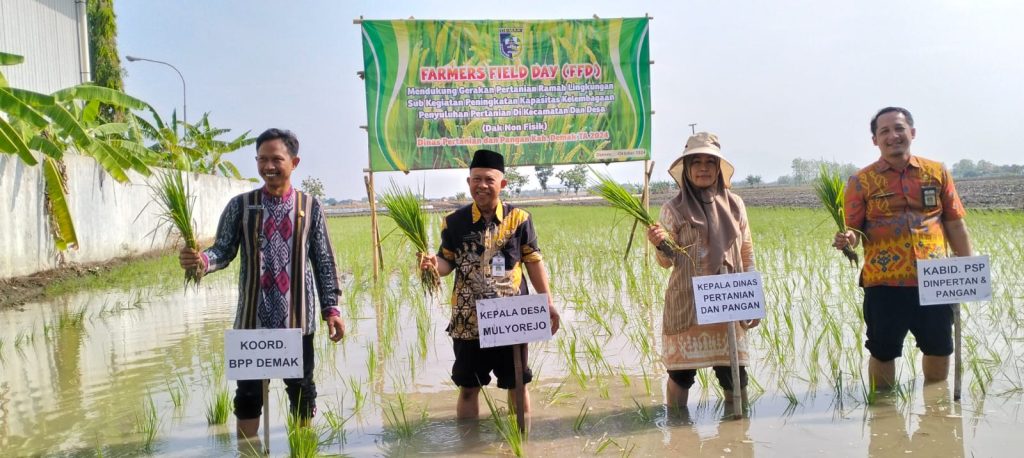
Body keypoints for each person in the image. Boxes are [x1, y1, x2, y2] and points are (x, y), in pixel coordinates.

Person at [178, 128, 346, 439]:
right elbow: (222, 250)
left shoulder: (311, 207)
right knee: (248, 397)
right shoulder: (241, 206)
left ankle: (301, 448)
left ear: (294, 162)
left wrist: (331, 309)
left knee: (301, 393)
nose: (268, 166)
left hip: (297, 324)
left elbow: (323, 261)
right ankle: (248, 450)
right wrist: (201, 261)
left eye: (276, 159)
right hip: (251, 325)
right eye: (262, 159)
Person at [834, 107, 973, 389]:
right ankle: (883, 413)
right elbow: (854, 230)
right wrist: (847, 239)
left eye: (899, 128)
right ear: (875, 140)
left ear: (912, 132)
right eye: (884, 131)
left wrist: (967, 269)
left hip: (936, 279)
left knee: (939, 347)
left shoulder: (937, 172)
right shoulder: (861, 181)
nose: (893, 136)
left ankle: (935, 409)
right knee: (883, 350)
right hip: (884, 282)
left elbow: (954, 223)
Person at [419, 149, 561, 419]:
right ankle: (468, 446)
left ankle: (521, 443)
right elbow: (447, 262)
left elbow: (533, 261)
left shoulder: (519, 219)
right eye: (476, 179)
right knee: (469, 387)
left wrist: (549, 304)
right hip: (468, 321)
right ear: (468, 182)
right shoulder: (454, 222)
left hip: (510, 318)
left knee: (517, 385)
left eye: (488, 179)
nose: (481, 185)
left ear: (502, 184)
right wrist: (432, 265)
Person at [647, 132, 759, 408]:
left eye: (710, 162)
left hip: (727, 302)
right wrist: (660, 245)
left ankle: (737, 438)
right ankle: (677, 434)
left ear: (718, 168)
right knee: (680, 377)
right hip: (688, 305)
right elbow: (666, 262)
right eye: (695, 162)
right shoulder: (673, 209)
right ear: (686, 169)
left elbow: (746, 252)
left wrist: (754, 303)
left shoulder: (736, 205)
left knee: (735, 378)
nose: (703, 168)